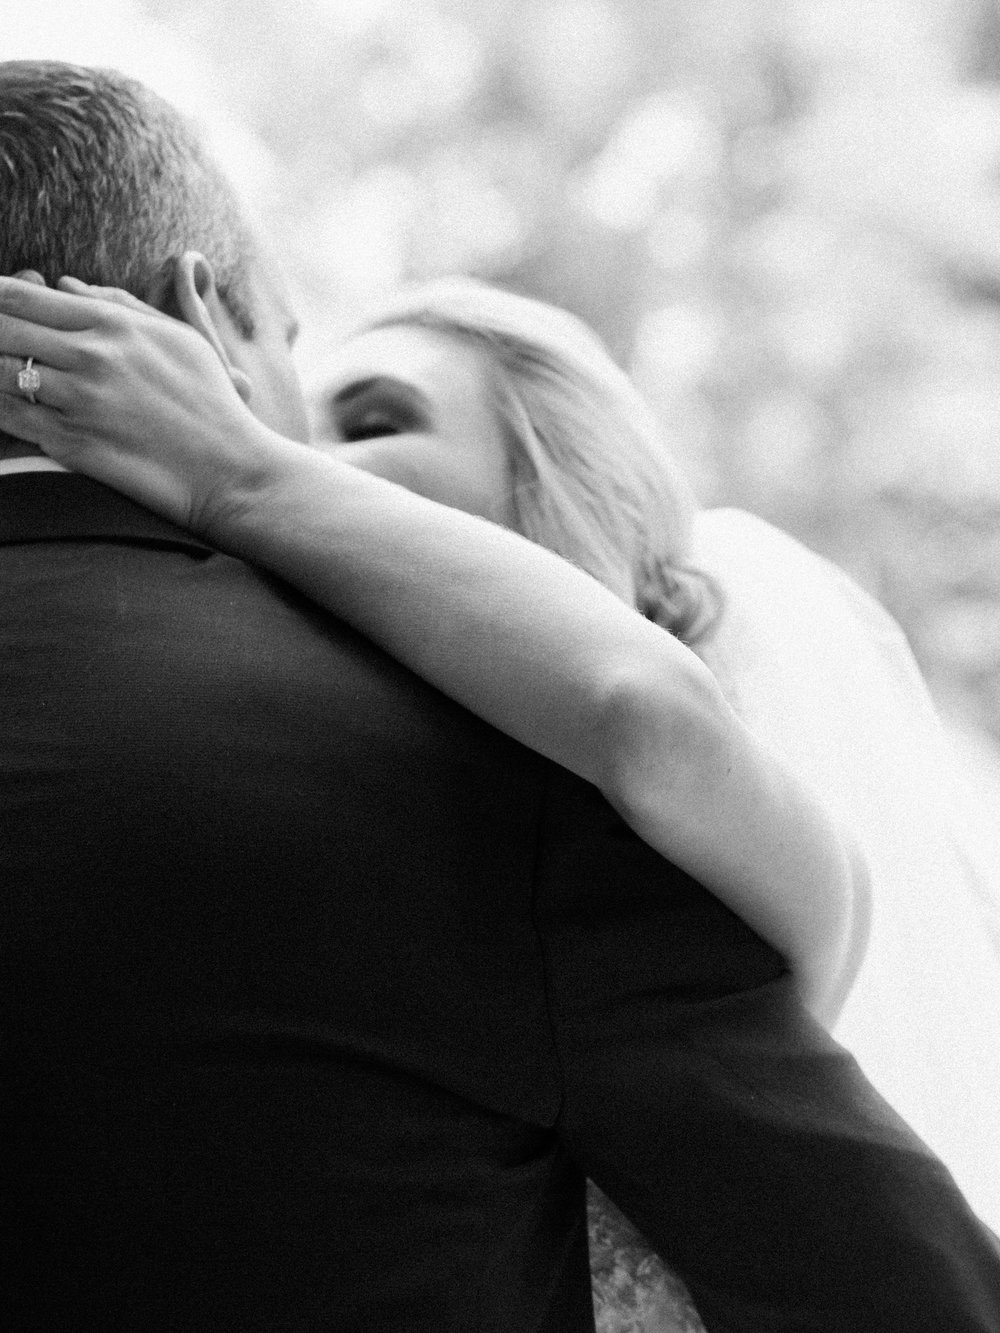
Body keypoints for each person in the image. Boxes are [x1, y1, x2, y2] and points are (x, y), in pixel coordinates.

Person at [2, 62, 1000, 1333]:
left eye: (373, 424)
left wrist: (243, 475)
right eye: (315, 406)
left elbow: (654, 721)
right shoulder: (473, 803)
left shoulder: (618, 778)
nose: (309, 456)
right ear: (215, 319)